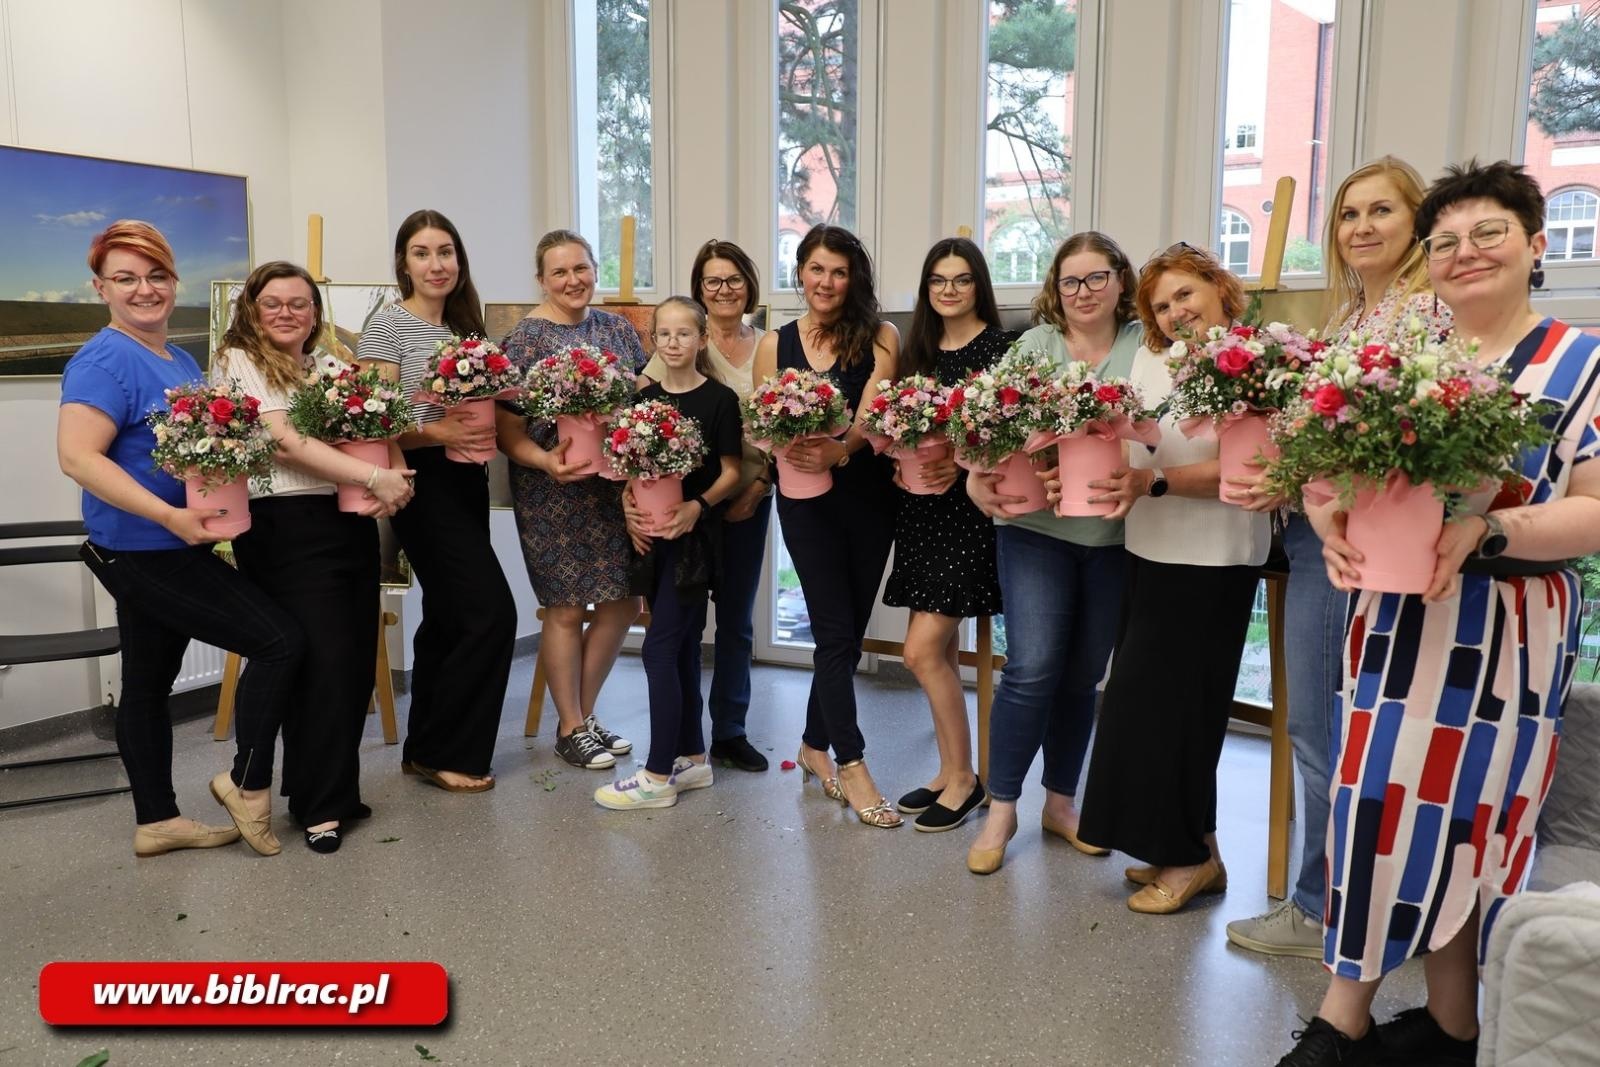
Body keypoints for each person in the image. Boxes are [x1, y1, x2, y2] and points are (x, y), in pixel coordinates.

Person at [1277, 162, 1600, 1066]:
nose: (1466, 253)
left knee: (1476, 823)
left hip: (1508, 633)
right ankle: (1351, 1016)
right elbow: (1321, 463)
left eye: (1489, 233)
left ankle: (1453, 1022)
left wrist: (1492, 528)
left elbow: (1597, 507)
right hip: (1393, 622)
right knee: (1377, 801)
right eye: (1448, 240)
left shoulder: (1584, 363)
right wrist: (1326, 517)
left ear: (1537, 245)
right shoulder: (1399, 349)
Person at [1227, 157, 1453, 957]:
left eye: (1380, 211)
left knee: (1323, 728)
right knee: (1343, 725)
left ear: (1417, 221)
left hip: (1357, 541)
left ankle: (1319, 907)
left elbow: (1399, 443)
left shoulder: (1423, 314)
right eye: (1349, 214)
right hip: (1324, 531)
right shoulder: (1353, 315)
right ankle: (1350, 901)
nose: (1361, 226)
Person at [56, 220, 303, 858]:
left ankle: (158, 821)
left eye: (156, 276)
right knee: (279, 641)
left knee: (144, 684)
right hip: (142, 550)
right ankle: (246, 783)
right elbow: (79, 458)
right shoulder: (103, 359)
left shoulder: (179, 357)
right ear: (99, 288)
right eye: (126, 278)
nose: (144, 290)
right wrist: (169, 519)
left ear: (174, 281)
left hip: (174, 544)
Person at [1073, 244, 1271, 911]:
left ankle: (1189, 857)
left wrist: (1154, 479)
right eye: (1160, 304)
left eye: (1185, 294)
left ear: (1219, 287)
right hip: (1150, 549)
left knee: (1184, 713)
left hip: (1214, 557)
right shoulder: (1149, 358)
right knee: (1142, 708)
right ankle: (1187, 845)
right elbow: (1137, 443)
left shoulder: (1254, 360)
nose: (1174, 311)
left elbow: (1248, 472)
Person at [213, 261, 415, 852]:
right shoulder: (239, 361)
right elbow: (286, 443)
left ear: (315, 312)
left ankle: (330, 790)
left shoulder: (325, 364)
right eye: (272, 302)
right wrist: (377, 476)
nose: (285, 313)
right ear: (251, 309)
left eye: (298, 303)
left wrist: (391, 471)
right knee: (322, 663)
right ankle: (318, 808)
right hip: (284, 527)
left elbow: (369, 423)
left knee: (351, 661)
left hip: (341, 521)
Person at [963, 231, 1145, 873]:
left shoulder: (1143, 345)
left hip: (1117, 538)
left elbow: (1166, 431)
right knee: (1033, 667)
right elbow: (987, 427)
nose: (1084, 292)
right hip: (1036, 532)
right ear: (1054, 289)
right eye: (1071, 281)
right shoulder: (1036, 346)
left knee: (1082, 676)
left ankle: (1061, 803)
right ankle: (1002, 807)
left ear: (1122, 281)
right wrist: (973, 475)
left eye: (1097, 278)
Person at [358, 209, 516, 793]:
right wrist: (437, 434)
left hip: (466, 479)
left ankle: (424, 748)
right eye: (422, 253)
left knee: (450, 617)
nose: (436, 264)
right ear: (404, 262)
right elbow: (369, 417)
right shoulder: (387, 327)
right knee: (490, 612)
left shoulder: (464, 329)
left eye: (445, 251)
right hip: (417, 478)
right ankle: (455, 751)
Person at [752, 224, 901, 828]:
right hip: (806, 502)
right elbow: (760, 418)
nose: (827, 282)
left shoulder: (882, 335)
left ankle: (813, 747)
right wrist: (782, 444)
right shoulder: (773, 344)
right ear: (800, 272)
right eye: (817, 269)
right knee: (834, 630)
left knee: (847, 633)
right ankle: (852, 761)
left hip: (868, 499)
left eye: (839, 272)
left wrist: (841, 451)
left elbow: (872, 412)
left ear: (853, 278)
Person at [497, 229, 645, 771]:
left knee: (622, 603)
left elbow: (641, 404)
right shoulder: (524, 342)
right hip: (550, 491)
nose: (573, 280)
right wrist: (544, 462)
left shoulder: (619, 331)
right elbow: (504, 434)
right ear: (541, 280)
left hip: (613, 491)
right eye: (559, 272)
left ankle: (584, 714)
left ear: (594, 269)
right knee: (564, 607)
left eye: (581, 268)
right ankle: (570, 726)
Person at [597, 297, 743, 810]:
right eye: (664, 334)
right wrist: (628, 506)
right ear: (653, 341)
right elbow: (629, 470)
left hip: (693, 544)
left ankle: (657, 775)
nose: (674, 343)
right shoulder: (643, 400)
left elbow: (732, 472)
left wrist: (697, 507)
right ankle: (692, 757)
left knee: (659, 649)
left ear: (702, 339)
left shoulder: (720, 400)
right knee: (677, 648)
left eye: (685, 334)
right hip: (651, 542)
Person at [884, 237, 1006, 834]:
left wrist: (958, 465)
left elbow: (1013, 435)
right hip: (921, 514)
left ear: (978, 283)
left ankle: (966, 781)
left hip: (970, 515)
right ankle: (950, 767)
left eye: (960, 279)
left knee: (920, 651)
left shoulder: (1000, 350)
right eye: (938, 280)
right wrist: (897, 458)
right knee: (940, 653)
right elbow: (900, 428)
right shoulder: (920, 353)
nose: (949, 289)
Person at [639, 240, 771, 773]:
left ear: (749, 285)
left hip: (748, 498)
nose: (724, 289)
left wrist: (757, 490)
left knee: (736, 618)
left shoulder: (767, 346)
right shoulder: (681, 339)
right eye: (713, 281)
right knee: (685, 623)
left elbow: (778, 429)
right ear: (699, 290)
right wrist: (636, 496)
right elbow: (647, 425)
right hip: (687, 508)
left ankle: (730, 731)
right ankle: (686, 736)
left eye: (734, 279)